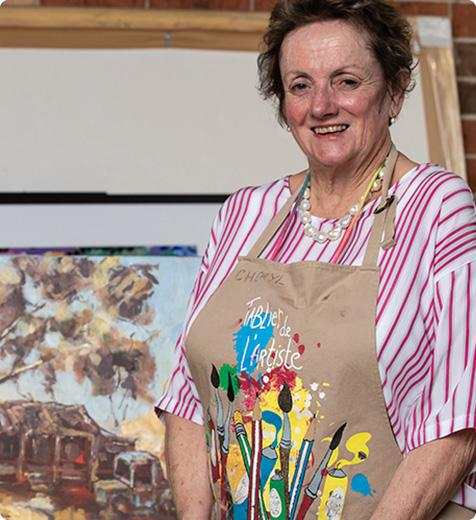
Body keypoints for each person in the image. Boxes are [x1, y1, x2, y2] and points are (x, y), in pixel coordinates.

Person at [156, 0, 476, 518]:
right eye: (300, 86)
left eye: (346, 81)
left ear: (393, 92)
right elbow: (187, 398)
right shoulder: (246, 213)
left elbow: (460, 418)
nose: (322, 105)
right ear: (283, 104)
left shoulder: (437, 207)